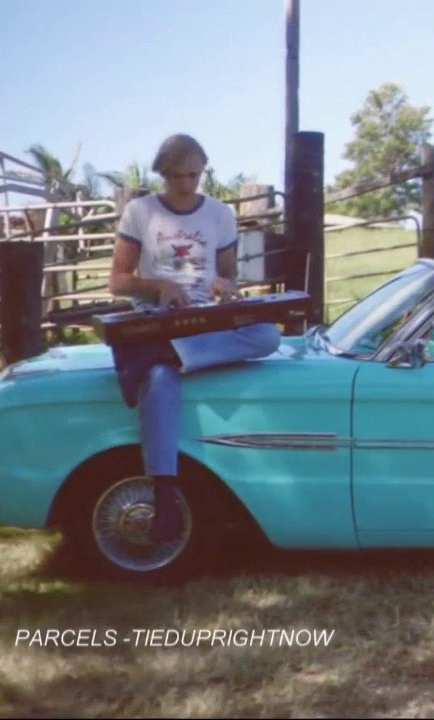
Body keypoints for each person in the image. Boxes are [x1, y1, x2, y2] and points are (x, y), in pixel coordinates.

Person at [108, 133, 282, 542]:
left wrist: (225, 285)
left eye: (194, 175)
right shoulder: (140, 211)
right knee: (158, 380)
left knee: (268, 336)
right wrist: (158, 287)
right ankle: (164, 494)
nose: (187, 184)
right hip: (157, 317)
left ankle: (166, 353)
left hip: (204, 320)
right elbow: (117, 282)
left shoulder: (219, 213)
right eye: (178, 176)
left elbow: (229, 276)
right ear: (163, 174)